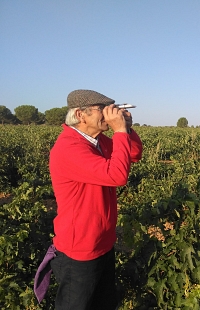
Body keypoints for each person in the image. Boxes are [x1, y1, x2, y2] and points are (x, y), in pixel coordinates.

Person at [48, 89, 143, 309]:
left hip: (103, 242)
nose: (109, 114)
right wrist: (118, 130)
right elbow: (117, 176)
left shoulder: (98, 141)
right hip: (80, 249)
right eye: (102, 109)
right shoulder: (69, 147)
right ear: (81, 115)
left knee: (104, 304)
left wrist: (126, 128)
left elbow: (134, 154)